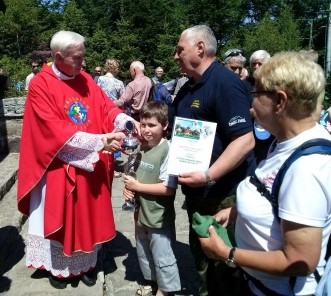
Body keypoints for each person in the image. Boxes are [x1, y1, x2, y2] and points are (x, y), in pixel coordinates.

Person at [199, 51, 331, 296]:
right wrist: (238, 212)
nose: (251, 102)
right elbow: (276, 197)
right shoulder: (284, 142)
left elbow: (300, 261)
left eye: (256, 94)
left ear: (280, 102)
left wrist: (226, 253)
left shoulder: (307, 168)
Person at [17, 30, 138, 290]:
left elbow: (106, 107)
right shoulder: (41, 83)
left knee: (88, 215)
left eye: (83, 57)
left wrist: (125, 121)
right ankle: (59, 269)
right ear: (58, 56)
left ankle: (87, 265)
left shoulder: (85, 78)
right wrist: (99, 141)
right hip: (59, 165)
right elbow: (50, 129)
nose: (83, 64)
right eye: (77, 58)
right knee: (62, 215)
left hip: (90, 164)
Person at [170, 25, 256, 296]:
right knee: (203, 260)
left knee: (226, 267)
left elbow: (245, 140)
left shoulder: (225, 83)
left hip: (223, 195)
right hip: (197, 193)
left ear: (200, 48)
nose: (175, 56)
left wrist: (209, 175)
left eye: (179, 49)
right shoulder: (188, 88)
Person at [123, 101, 180, 296]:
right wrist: (129, 190)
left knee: (162, 253)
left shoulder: (168, 150)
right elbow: (134, 176)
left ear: (164, 126)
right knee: (143, 249)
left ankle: (165, 289)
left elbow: (168, 189)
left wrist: (138, 186)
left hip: (158, 215)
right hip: (140, 212)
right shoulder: (140, 148)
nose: (146, 130)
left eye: (152, 125)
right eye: (143, 124)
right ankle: (151, 280)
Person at [97, 58, 126, 177]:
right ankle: (111, 166)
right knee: (113, 138)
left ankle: (100, 162)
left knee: (102, 136)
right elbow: (123, 99)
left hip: (100, 111)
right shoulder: (119, 83)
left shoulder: (100, 79)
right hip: (113, 113)